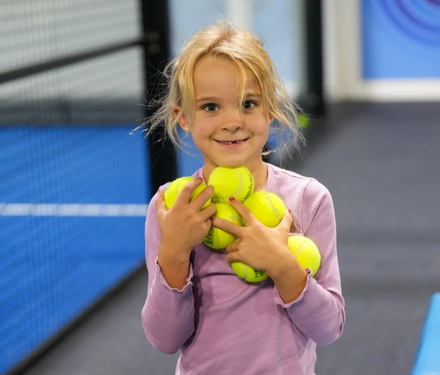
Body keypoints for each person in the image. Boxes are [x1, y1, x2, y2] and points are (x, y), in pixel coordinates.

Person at [141, 20, 344, 375]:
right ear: (183, 117)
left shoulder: (309, 199)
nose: (232, 121)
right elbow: (165, 339)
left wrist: (282, 265)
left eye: (248, 103)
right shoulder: (169, 208)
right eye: (210, 107)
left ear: (270, 109)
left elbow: (329, 329)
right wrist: (173, 252)